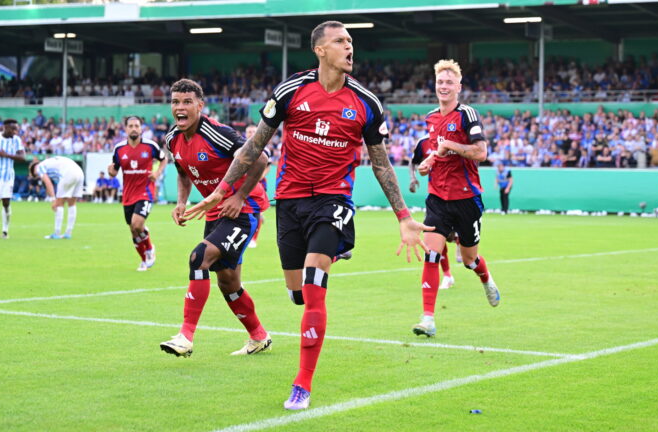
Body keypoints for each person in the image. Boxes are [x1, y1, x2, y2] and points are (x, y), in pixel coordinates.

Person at [181, 21, 431, 410]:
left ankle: (302, 384)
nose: (350, 48)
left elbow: (381, 164)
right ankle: (331, 250)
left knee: (315, 284)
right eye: (341, 42)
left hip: (332, 201)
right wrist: (219, 192)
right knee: (297, 295)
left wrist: (402, 215)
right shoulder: (291, 91)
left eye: (351, 41)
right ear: (320, 50)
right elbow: (252, 148)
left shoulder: (367, 102)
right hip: (290, 203)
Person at [159, 78, 272, 359]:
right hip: (215, 212)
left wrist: (239, 196)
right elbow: (184, 172)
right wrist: (182, 202)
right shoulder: (173, 138)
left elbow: (260, 158)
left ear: (200, 105)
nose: (180, 107)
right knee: (228, 283)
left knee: (199, 257)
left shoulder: (217, 133)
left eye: (187, 102)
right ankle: (259, 337)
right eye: (175, 102)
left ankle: (185, 336)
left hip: (242, 211)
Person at [411, 59, 500, 339]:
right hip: (437, 197)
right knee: (431, 254)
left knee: (469, 259)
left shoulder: (467, 115)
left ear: (459, 87)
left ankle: (485, 278)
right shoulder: (431, 118)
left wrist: (451, 146)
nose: (444, 86)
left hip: (466, 198)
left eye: (449, 82)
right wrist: (428, 164)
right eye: (440, 82)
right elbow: (436, 154)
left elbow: (481, 153)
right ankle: (428, 319)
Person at [108, 116, 167, 271]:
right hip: (128, 195)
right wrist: (111, 171)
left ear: (141, 128)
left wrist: (157, 173)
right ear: (126, 129)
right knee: (133, 229)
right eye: (130, 126)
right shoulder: (119, 149)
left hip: (145, 192)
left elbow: (164, 159)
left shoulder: (150, 146)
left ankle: (149, 249)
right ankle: (143, 260)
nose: (134, 128)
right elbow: (114, 169)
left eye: (136, 126)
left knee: (137, 224)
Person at [409, 135, 456, 289]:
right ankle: (447, 275)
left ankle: (461, 242)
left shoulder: (453, 138)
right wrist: (413, 178)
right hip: (436, 199)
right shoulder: (423, 142)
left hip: (457, 196)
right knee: (436, 238)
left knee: (452, 241)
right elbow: (413, 162)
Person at [29, 156, 85, 239]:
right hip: (79, 172)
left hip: (68, 173)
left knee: (59, 204)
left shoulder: (40, 167)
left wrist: (53, 199)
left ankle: (57, 233)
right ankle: (68, 233)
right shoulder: (50, 163)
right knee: (72, 203)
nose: (38, 176)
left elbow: (48, 183)